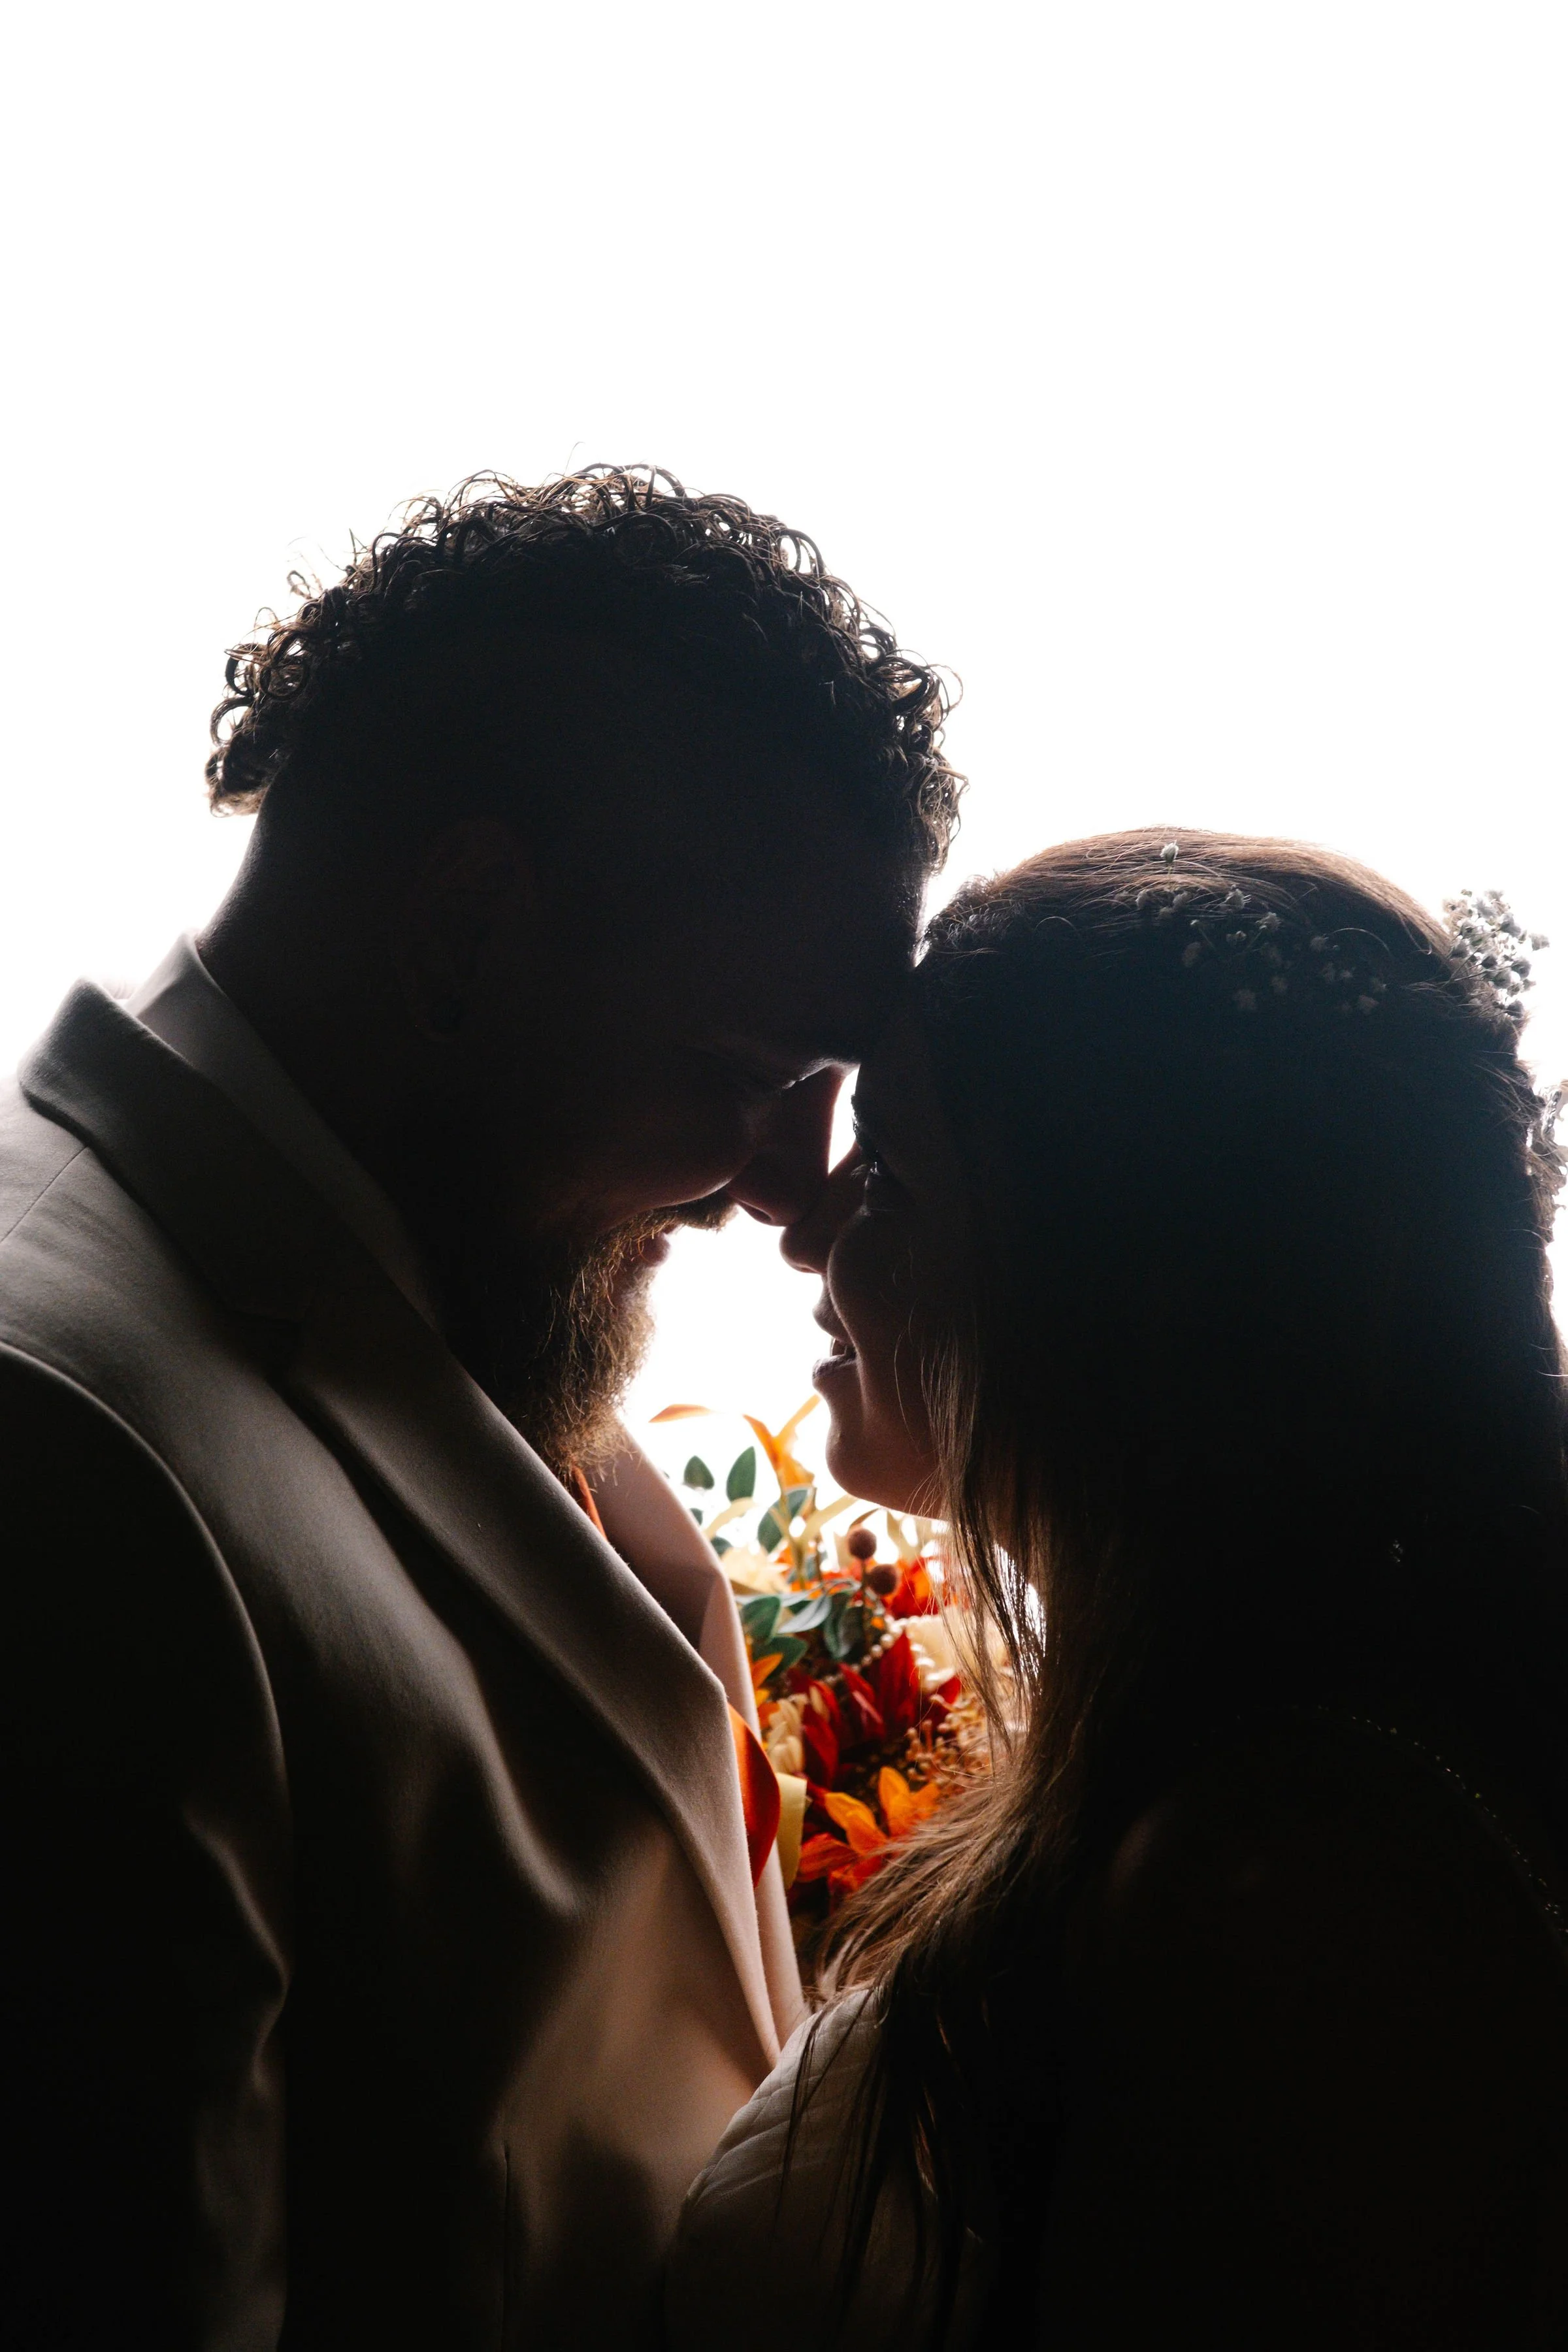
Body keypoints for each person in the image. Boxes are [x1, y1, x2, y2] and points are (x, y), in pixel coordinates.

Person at [0, 466, 962, 2348]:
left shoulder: (445, 1260)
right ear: (463, 933)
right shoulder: (61, 1462)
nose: (786, 1187)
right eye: (760, 1073)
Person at [667, 831, 1568, 2349]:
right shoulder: (1239, 1776)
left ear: (1112, 1268)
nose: (806, 1233)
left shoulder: (1291, 1897)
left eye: (886, 1170)